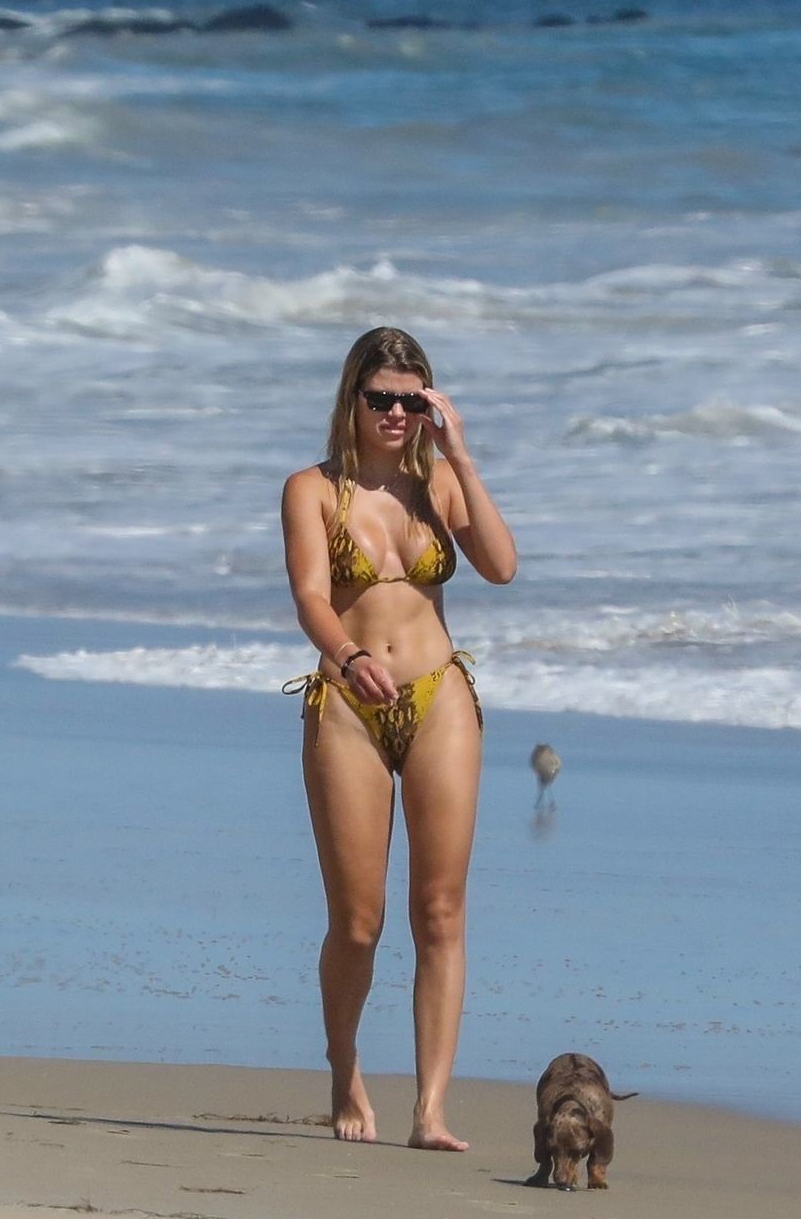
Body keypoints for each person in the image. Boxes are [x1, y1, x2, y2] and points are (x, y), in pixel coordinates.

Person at [279, 327, 517, 1149]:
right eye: (380, 398)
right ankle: (344, 1068)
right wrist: (346, 656)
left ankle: (430, 1109)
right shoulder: (311, 489)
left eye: (411, 401)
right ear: (352, 398)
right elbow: (311, 596)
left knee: (440, 911)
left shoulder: (439, 485)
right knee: (358, 921)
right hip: (348, 703)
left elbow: (502, 567)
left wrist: (464, 458)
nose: (395, 413)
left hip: (438, 695)